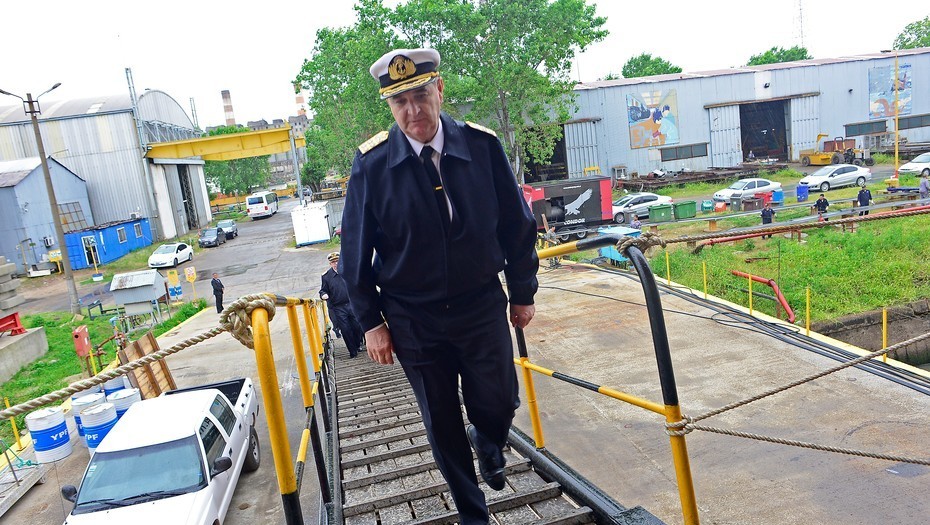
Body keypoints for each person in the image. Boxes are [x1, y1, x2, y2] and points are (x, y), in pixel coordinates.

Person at [340, 47, 539, 525]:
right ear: (390, 106)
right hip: (413, 317)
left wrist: (522, 290)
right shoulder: (372, 165)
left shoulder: (482, 146)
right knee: (442, 420)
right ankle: (474, 515)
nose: (413, 111)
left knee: (499, 400)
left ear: (440, 90)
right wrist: (371, 323)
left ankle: (488, 439)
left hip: (480, 304)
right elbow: (354, 253)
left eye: (420, 95)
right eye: (399, 101)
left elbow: (517, 224)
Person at [319, 252, 363, 358]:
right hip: (338, 307)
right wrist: (324, 295)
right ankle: (353, 352)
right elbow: (323, 290)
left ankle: (358, 345)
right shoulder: (326, 276)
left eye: (337, 261)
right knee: (345, 329)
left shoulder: (348, 271)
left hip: (352, 304)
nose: (335, 264)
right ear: (330, 264)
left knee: (357, 326)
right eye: (333, 262)